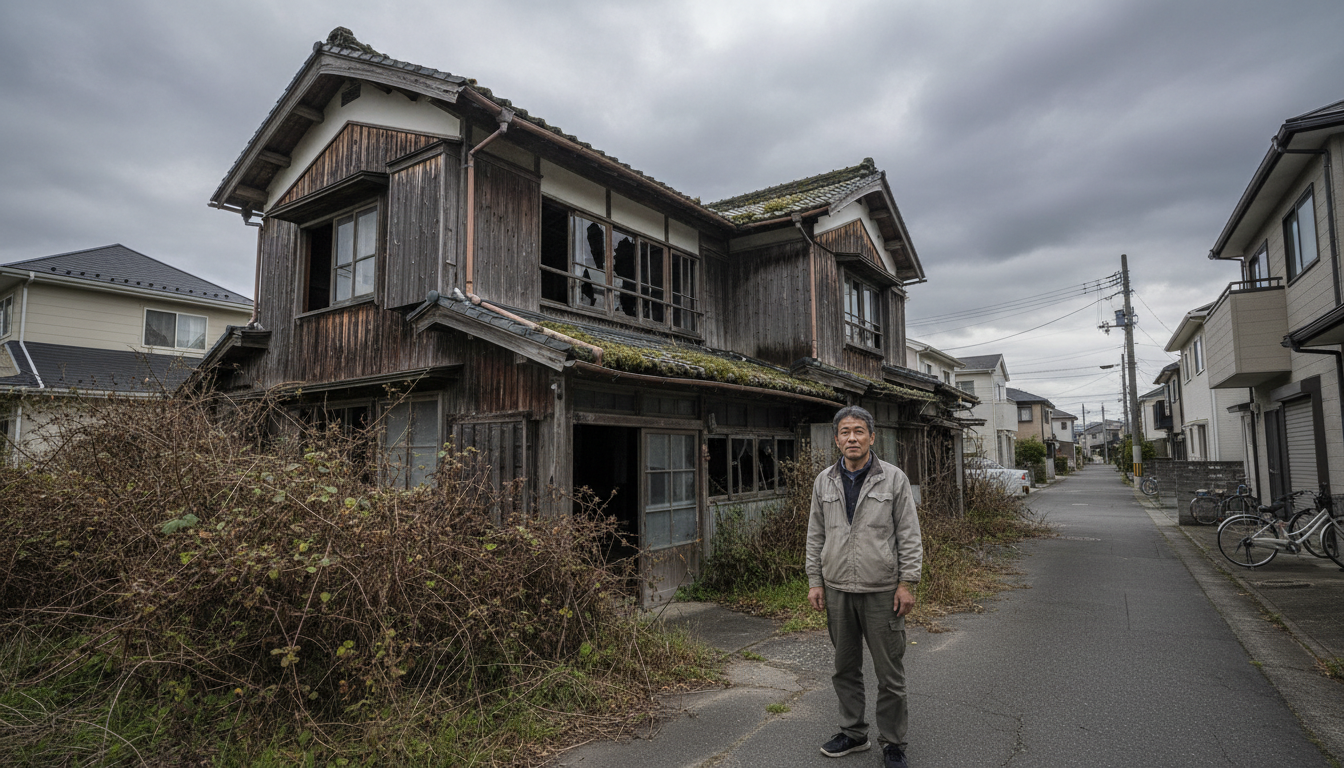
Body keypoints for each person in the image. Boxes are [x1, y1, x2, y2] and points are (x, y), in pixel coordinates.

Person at [807, 405, 922, 768]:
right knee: (844, 668)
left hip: (882, 590)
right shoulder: (824, 481)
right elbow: (815, 534)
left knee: (889, 673)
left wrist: (907, 582)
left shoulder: (893, 479)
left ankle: (893, 742)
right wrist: (815, 581)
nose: (852, 438)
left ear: (872, 437)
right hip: (837, 588)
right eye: (845, 432)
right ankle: (853, 732)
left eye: (859, 431)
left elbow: (909, 535)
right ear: (836, 439)